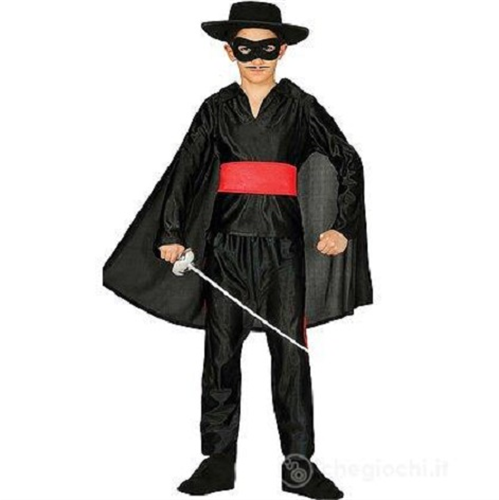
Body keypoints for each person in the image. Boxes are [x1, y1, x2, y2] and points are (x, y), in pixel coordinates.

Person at [103, 1, 373, 498]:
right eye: (246, 49)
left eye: (266, 48)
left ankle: (298, 465)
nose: (257, 58)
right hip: (224, 249)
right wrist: (171, 232)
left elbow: (348, 160)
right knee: (221, 352)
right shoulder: (215, 108)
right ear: (230, 52)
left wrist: (342, 226)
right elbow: (186, 171)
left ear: (282, 50)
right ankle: (217, 462)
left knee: (290, 353)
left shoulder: (301, 106)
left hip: (283, 251)